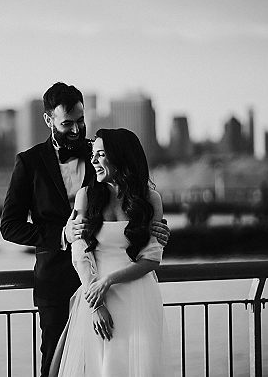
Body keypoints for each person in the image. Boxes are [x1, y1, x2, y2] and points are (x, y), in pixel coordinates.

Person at [0, 82, 171, 377]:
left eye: (81, 121)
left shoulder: (103, 153)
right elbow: (9, 226)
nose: (77, 131)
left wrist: (158, 228)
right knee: (54, 367)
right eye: (68, 123)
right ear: (48, 120)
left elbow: (131, 203)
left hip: (114, 283)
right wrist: (61, 236)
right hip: (56, 281)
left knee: (111, 363)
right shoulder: (29, 163)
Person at [49, 128, 174, 376]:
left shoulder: (151, 199)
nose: (93, 161)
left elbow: (151, 258)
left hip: (138, 297)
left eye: (101, 154)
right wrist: (96, 304)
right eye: (93, 154)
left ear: (120, 158)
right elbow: (80, 255)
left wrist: (108, 281)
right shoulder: (86, 197)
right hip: (95, 297)